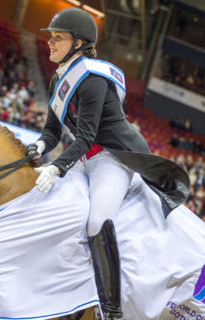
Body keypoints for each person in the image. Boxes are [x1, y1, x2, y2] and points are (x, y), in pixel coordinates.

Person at [28, 7, 190, 320]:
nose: (50, 42)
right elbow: (51, 132)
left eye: (57, 38)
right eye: (51, 37)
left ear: (78, 43)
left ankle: (111, 309)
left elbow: (86, 137)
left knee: (96, 220)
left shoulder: (92, 78)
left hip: (113, 157)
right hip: (85, 157)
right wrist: (37, 147)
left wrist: (56, 166)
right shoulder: (57, 80)